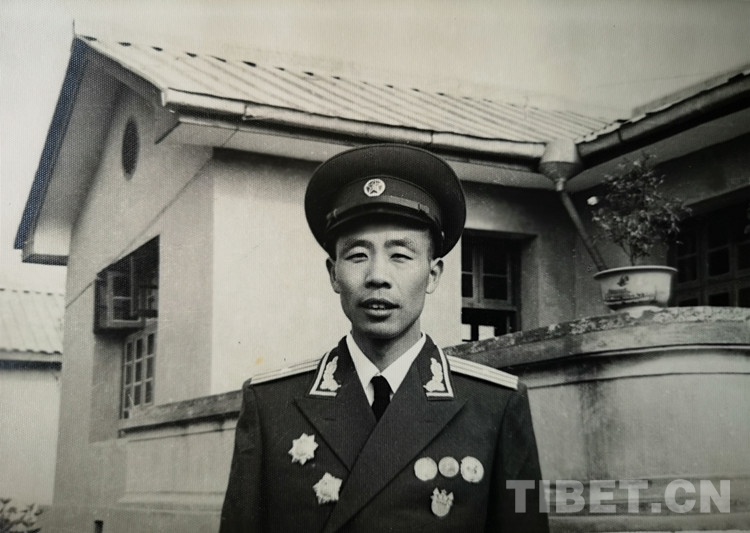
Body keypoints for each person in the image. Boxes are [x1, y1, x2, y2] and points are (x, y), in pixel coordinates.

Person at [220, 144, 548, 532]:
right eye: (358, 255)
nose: (377, 276)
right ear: (333, 274)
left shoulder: (498, 405)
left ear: (433, 275)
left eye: (400, 256)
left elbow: (527, 523)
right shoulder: (270, 406)